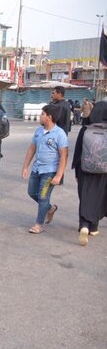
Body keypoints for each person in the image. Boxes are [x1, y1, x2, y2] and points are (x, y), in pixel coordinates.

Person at [22, 104, 68, 234]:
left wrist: (59, 175)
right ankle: (50, 208)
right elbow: (32, 149)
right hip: (37, 169)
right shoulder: (38, 131)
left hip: (50, 171)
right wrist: (25, 166)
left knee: (43, 196)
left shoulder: (59, 134)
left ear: (49, 117)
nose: (40, 116)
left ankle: (39, 224)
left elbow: (64, 155)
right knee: (32, 192)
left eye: (42, 114)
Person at [71, 101, 107, 246]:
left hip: (84, 169)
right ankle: (94, 227)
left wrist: (76, 170)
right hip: (104, 170)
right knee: (99, 196)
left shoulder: (85, 129)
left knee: (85, 196)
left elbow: (78, 150)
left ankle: (84, 225)